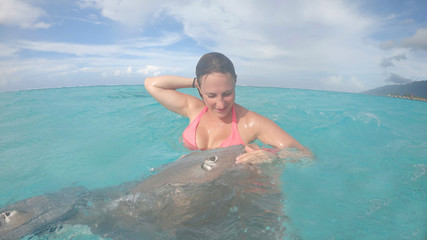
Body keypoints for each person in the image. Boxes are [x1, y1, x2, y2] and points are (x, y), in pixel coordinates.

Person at [144, 52, 312, 164]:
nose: (221, 104)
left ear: (235, 83)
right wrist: (197, 82)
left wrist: (271, 156)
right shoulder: (194, 109)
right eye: (211, 95)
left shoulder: (250, 123)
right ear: (200, 90)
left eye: (227, 93)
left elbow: (307, 156)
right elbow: (152, 84)